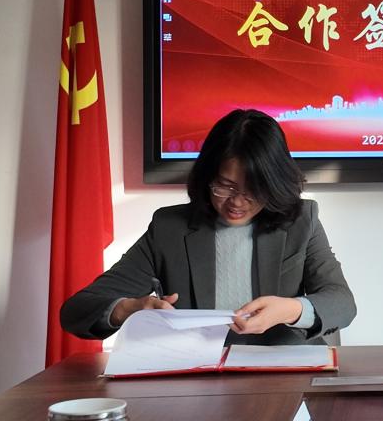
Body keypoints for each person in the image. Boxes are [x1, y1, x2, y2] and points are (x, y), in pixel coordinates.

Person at [61, 109, 356, 345]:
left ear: (275, 185)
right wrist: (127, 309)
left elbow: (342, 303)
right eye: (225, 187)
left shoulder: (301, 220)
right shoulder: (170, 229)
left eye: (254, 190)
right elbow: (77, 310)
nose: (237, 202)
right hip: (198, 378)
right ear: (206, 176)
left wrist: (292, 310)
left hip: (284, 375)